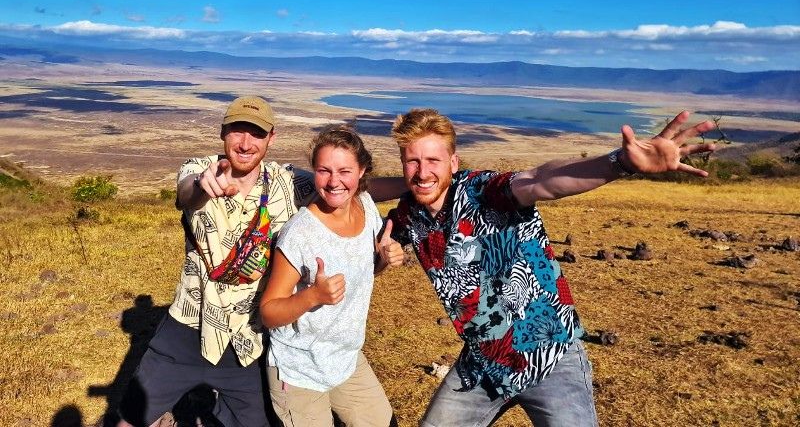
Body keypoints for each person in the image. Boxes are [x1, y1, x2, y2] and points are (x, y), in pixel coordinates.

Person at [386, 108, 716, 427]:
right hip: (484, 361)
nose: (423, 171)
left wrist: (621, 162)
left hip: (550, 353)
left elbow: (542, 179)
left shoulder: (483, 192)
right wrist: (384, 253)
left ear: (453, 162)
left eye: (433, 160)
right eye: (412, 161)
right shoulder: (408, 214)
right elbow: (361, 198)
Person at [117, 98, 404, 427]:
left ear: (271, 138)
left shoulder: (286, 181)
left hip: (249, 340)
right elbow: (187, 191)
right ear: (223, 133)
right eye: (237, 131)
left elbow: (342, 182)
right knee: (131, 419)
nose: (245, 142)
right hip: (187, 329)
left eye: (256, 133)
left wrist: (416, 182)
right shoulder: (199, 169)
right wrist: (202, 186)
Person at [260, 126, 404, 427]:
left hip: (345, 358)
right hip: (299, 369)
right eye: (324, 171)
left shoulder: (365, 206)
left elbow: (363, 271)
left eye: (344, 171)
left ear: (362, 171)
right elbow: (269, 312)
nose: (334, 181)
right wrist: (311, 296)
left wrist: (382, 260)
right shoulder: (299, 233)